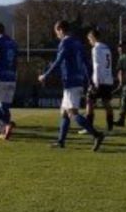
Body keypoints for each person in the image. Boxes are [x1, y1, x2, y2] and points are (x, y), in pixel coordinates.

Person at [39, 21, 105, 151]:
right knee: (64, 112)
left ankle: (97, 135)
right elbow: (86, 63)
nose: (56, 35)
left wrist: (45, 75)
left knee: (72, 113)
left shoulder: (65, 42)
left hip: (70, 81)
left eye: (56, 32)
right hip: (78, 80)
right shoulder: (78, 43)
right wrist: (90, 81)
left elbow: (59, 61)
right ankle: (61, 141)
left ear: (60, 29)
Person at [85, 28, 116, 133]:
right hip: (108, 79)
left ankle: (88, 127)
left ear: (93, 38)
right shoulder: (107, 48)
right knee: (107, 103)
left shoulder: (96, 49)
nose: (89, 42)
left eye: (89, 39)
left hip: (99, 79)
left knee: (89, 101)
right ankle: (110, 127)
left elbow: (97, 65)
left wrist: (96, 83)